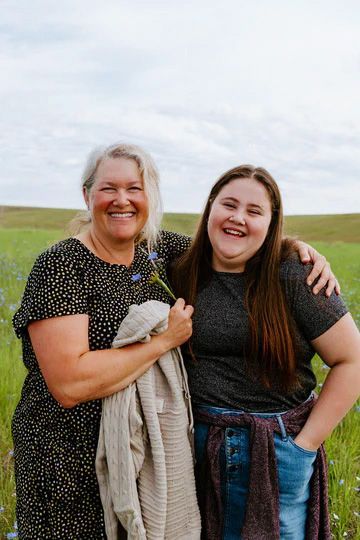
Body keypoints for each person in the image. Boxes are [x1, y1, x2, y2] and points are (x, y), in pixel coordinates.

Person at [12, 144, 338, 539]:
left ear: (151, 196)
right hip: (69, 458)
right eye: (107, 188)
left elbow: (232, 243)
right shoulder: (61, 265)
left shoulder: (158, 251)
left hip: (145, 454)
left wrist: (296, 250)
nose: (122, 200)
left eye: (135, 188)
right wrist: (162, 341)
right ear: (87, 195)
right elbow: (69, 384)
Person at [171, 165, 360, 540]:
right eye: (229, 204)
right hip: (193, 448)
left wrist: (302, 447)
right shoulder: (178, 271)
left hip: (273, 451)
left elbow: (352, 360)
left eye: (254, 211)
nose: (238, 218)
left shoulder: (295, 274)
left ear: (272, 224)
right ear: (210, 207)